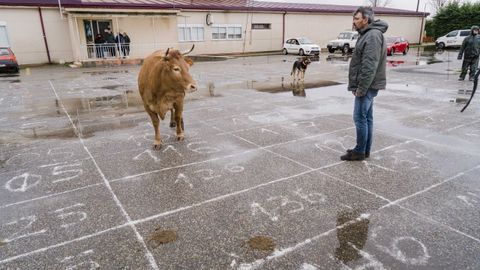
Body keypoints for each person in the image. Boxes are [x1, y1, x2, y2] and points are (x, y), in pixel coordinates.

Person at [340, 6, 388, 161]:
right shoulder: (367, 34)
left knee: (360, 118)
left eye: (357, 18)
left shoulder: (372, 36)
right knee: (367, 118)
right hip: (368, 85)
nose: (354, 22)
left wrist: (361, 88)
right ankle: (364, 149)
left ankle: (360, 151)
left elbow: (369, 65)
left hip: (367, 86)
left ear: (366, 20)